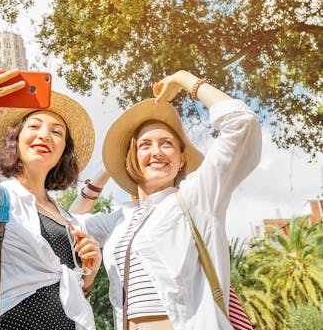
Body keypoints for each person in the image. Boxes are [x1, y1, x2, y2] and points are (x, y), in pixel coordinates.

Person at [70, 70, 262, 330]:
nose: (156, 152)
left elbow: (241, 123)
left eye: (167, 144)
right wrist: (107, 170)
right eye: (145, 145)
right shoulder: (121, 218)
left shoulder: (196, 197)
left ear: (182, 158)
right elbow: (70, 226)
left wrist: (184, 79)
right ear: (132, 157)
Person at [0, 63, 102, 330]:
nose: (44, 135)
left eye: (56, 131)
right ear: (16, 139)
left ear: (64, 151)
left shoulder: (69, 220)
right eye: (35, 126)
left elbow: (73, 297)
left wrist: (90, 273)